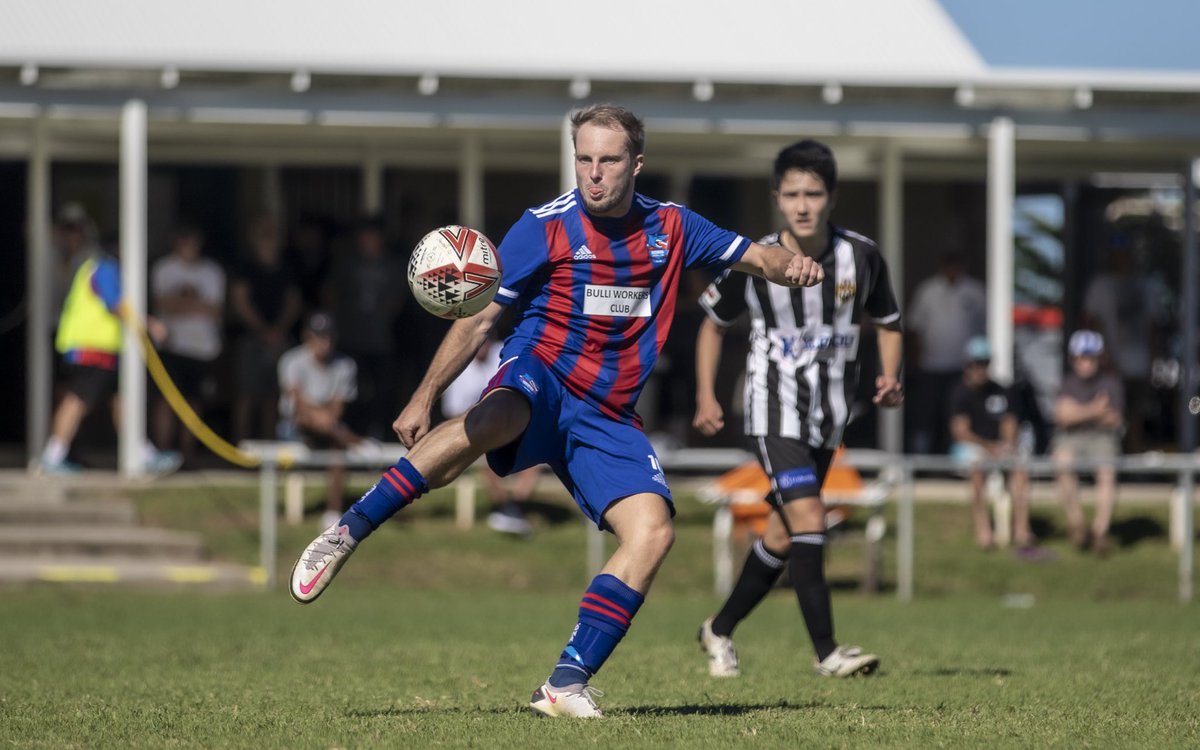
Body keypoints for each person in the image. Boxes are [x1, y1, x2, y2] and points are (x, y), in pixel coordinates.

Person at [288, 103, 824, 718]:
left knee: (653, 533)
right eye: (584, 159)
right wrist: (423, 394)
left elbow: (760, 257)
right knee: (497, 418)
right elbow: (483, 316)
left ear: (637, 164)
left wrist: (796, 265)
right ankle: (346, 532)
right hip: (541, 374)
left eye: (609, 160)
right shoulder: (542, 226)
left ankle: (565, 684)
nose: (594, 174)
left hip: (611, 414)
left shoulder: (673, 226)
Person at [691, 139, 902, 680]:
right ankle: (828, 652)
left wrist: (888, 375)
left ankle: (719, 628)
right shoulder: (755, 258)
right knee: (811, 517)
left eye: (813, 193)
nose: (802, 204)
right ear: (777, 198)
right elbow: (713, 325)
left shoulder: (863, 256)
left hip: (830, 415)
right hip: (772, 408)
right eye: (792, 194)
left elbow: (889, 321)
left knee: (786, 534)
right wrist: (707, 395)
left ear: (830, 196)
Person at [35, 238, 182, 475]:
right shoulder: (104, 268)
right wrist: (150, 325)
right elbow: (115, 304)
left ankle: (142, 452)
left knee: (122, 400)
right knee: (78, 399)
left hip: (105, 349)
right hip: (92, 349)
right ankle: (53, 455)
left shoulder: (103, 268)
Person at [440, 336, 541, 537]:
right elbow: (454, 414)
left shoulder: (504, 355)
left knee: (535, 460)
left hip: (510, 425)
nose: (482, 347)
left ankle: (515, 507)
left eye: (485, 342)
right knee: (487, 461)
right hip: (475, 429)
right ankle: (505, 506)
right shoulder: (459, 371)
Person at [947, 336, 1036, 553]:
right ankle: (984, 530)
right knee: (977, 470)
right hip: (973, 448)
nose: (980, 369)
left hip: (996, 447)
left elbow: (1009, 422)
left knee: (1020, 470)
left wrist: (1005, 446)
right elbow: (961, 431)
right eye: (976, 364)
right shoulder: (960, 393)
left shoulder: (1001, 390)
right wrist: (989, 447)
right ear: (967, 365)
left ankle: (1022, 529)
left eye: (984, 363)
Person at [277, 312, 365, 528]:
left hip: (330, 427)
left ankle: (332, 512)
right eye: (318, 336)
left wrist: (325, 419)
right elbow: (297, 403)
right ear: (308, 337)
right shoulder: (292, 360)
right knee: (315, 425)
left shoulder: (345, 365)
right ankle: (359, 444)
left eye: (328, 336)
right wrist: (322, 418)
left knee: (337, 452)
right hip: (296, 426)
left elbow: (338, 407)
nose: (324, 342)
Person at [150, 224, 226, 466]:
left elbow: (215, 311)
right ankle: (163, 451)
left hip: (202, 348)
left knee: (194, 402)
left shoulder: (212, 272)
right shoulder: (164, 268)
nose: (187, 245)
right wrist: (197, 305)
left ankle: (187, 454)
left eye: (191, 239)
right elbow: (163, 305)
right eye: (182, 239)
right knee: (166, 401)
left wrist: (180, 303)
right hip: (170, 345)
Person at [326, 214, 404, 441]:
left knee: (384, 392)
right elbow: (330, 293)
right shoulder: (346, 264)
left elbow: (397, 301)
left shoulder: (392, 265)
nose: (367, 241)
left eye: (371, 236)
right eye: (363, 236)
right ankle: (353, 437)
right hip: (351, 340)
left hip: (381, 340)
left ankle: (378, 437)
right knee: (354, 392)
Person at [229, 215, 303, 443]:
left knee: (273, 397)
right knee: (247, 395)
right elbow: (240, 301)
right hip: (251, 339)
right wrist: (263, 330)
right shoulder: (244, 266)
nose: (268, 238)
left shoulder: (288, 267)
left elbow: (294, 301)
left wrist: (278, 330)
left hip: (280, 338)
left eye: (272, 232)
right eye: (263, 232)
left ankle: (268, 446)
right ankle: (241, 447)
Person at [906, 251, 986, 455]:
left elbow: (986, 329)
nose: (952, 269)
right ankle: (921, 464)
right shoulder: (928, 290)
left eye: (956, 264)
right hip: (930, 367)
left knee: (958, 418)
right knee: (926, 418)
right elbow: (915, 328)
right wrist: (916, 361)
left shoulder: (975, 291)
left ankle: (954, 465)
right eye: (948, 264)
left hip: (963, 370)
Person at [1053, 329, 1124, 555]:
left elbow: (1114, 420)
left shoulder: (1111, 382)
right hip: (1072, 438)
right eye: (1081, 357)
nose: (1086, 362)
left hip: (1101, 438)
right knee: (1061, 461)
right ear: (1073, 359)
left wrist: (1077, 412)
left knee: (1107, 470)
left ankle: (1100, 532)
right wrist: (1095, 409)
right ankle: (1077, 525)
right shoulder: (1068, 383)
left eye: (1090, 357)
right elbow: (1062, 417)